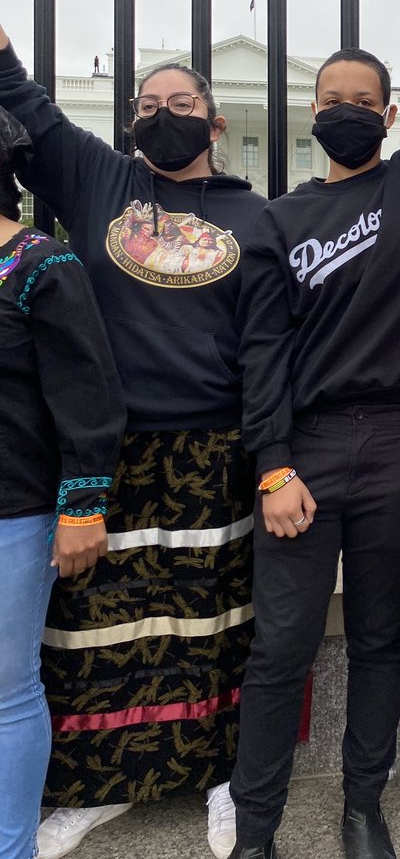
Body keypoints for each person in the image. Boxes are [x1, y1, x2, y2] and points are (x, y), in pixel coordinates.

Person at [228, 0, 400, 859]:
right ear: (314, 109)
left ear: (388, 111)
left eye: (364, 100)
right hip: (310, 451)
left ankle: (363, 809)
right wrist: (273, 465)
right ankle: (255, 828)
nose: (347, 109)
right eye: (333, 99)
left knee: (377, 637)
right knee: (283, 644)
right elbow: (262, 353)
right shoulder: (278, 220)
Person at [0, 26, 267, 859]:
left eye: (181, 104)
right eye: (147, 106)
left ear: (215, 123)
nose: (163, 117)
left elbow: (269, 344)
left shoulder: (253, 214)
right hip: (108, 454)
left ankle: (223, 779)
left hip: (217, 452)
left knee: (215, 622)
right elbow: (32, 112)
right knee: (93, 629)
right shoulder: (102, 180)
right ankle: (94, 786)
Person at [0, 108, 125, 859]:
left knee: (7, 685)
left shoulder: (44, 265)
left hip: (15, 511)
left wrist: (82, 505)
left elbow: (88, 394)